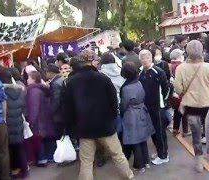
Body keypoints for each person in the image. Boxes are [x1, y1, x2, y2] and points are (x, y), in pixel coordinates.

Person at [61, 51, 134, 180]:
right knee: (118, 156)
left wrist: (72, 126)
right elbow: (114, 101)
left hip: (84, 128)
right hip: (105, 127)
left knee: (86, 162)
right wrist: (111, 118)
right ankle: (128, 177)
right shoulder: (103, 78)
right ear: (91, 62)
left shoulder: (71, 82)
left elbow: (67, 108)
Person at [173, 40, 209, 172]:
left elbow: (177, 89)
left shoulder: (181, 68)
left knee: (196, 135)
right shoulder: (207, 67)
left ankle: (199, 162)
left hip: (190, 105)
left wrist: (184, 92)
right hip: (207, 105)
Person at [120, 62, 155, 173]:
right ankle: (146, 161)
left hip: (131, 114)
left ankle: (139, 164)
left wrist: (121, 112)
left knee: (134, 139)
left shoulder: (126, 88)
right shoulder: (139, 82)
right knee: (143, 138)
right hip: (142, 110)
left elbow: (124, 104)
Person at [0, 70, 28, 179]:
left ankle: (14, 170)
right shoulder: (19, 90)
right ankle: (22, 169)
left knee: (8, 148)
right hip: (18, 121)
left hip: (6, 123)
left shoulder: (0, 92)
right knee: (19, 146)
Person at [139, 49, 169, 165]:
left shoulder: (158, 71)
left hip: (158, 106)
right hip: (147, 107)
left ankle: (164, 155)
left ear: (151, 58)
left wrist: (164, 102)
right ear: (140, 60)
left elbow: (167, 88)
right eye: (143, 58)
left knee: (160, 132)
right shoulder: (140, 72)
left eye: (147, 57)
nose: (145, 60)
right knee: (153, 131)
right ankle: (159, 152)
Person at [26, 71, 56, 166]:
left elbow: (34, 106)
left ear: (33, 79)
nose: (27, 80)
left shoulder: (33, 91)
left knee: (39, 138)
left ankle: (42, 159)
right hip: (46, 116)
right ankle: (51, 156)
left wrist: (32, 120)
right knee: (47, 137)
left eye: (28, 78)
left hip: (39, 119)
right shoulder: (43, 88)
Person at [100, 52, 125, 135]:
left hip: (111, 105)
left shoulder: (101, 74)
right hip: (124, 102)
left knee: (115, 129)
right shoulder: (121, 70)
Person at [168, 49, 189, 136]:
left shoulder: (170, 65)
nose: (182, 56)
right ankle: (185, 130)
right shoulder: (179, 66)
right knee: (184, 110)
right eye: (181, 54)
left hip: (174, 92)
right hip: (181, 91)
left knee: (178, 110)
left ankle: (176, 128)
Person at [46, 64, 65, 135]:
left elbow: (56, 100)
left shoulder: (55, 83)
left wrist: (51, 111)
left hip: (58, 114)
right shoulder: (61, 79)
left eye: (47, 72)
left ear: (51, 73)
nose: (46, 74)